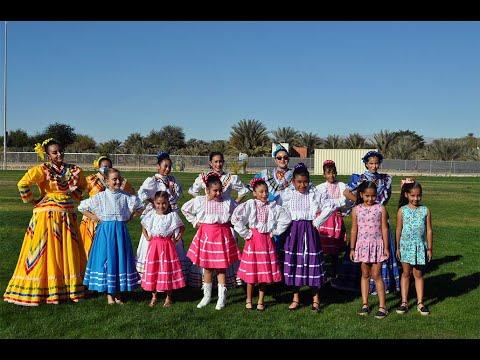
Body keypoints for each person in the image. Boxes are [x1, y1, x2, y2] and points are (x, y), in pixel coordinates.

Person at [4, 138, 87, 306]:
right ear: (48, 155)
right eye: (54, 152)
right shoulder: (42, 169)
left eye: (60, 151)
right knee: (44, 250)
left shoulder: (74, 169)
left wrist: (73, 196)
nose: (59, 154)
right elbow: (22, 184)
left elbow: (83, 184)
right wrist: (34, 200)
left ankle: (67, 286)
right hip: (47, 216)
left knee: (67, 249)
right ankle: (45, 286)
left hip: (67, 215)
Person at [332, 150, 400, 294]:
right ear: (366, 164)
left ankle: (381, 283)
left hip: (379, 217)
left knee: (381, 248)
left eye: (376, 163)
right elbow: (346, 192)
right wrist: (359, 203)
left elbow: (385, 199)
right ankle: (361, 282)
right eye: (371, 163)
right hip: (364, 221)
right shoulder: (360, 178)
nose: (374, 166)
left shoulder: (385, 179)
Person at [280, 163, 345, 312]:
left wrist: (317, 221)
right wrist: (283, 225)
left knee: (311, 261)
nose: (302, 185)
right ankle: (296, 298)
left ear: (309, 181)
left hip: (310, 231)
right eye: (299, 182)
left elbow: (329, 206)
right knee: (296, 262)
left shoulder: (314, 193)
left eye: (305, 182)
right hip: (294, 231)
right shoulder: (288, 195)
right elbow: (280, 210)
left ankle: (316, 299)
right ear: (293, 182)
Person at [79, 168, 143, 305]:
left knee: (119, 261)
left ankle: (118, 294)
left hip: (120, 233)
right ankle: (109, 294)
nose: (118, 181)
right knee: (107, 261)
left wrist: (129, 217)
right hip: (105, 233)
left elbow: (140, 206)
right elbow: (82, 207)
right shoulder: (100, 197)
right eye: (114, 179)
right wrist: (95, 218)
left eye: (119, 178)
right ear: (107, 181)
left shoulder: (125, 196)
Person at [188, 151, 248, 288]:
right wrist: (203, 207)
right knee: (207, 254)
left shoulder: (230, 178)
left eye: (220, 161)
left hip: (223, 218)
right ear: (210, 163)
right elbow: (193, 191)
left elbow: (243, 191)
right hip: (209, 221)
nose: (218, 164)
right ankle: (207, 284)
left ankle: (227, 282)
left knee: (225, 251)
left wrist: (235, 204)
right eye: (215, 161)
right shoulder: (203, 177)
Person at [231, 178, 291, 311]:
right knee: (252, 273)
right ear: (255, 193)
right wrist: (246, 233)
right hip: (253, 241)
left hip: (266, 242)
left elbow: (286, 219)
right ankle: (248, 299)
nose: (264, 194)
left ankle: (260, 300)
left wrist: (274, 231)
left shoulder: (272, 206)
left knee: (263, 273)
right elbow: (236, 218)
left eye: (266, 191)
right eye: (261, 192)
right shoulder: (251, 204)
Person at [182, 173, 240, 310]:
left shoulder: (227, 201)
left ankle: (221, 297)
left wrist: (233, 222)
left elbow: (239, 211)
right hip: (207, 236)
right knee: (207, 268)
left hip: (221, 236)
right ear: (207, 190)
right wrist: (195, 221)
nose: (218, 193)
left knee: (221, 268)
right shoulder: (200, 201)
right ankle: (206, 296)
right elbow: (184, 208)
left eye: (220, 190)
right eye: (215, 190)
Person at [135, 151, 189, 282]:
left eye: (169, 166)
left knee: (172, 242)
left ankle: (171, 275)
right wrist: (154, 203)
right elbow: (141, 194)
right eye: (165, 166)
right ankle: (153, 274)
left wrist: (171, 192)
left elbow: (177, 196)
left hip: (170, 216)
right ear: (158, 166)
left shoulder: (173, 180)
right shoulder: (153, 180)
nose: (167, 169)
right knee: (154, 243)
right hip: (157, 216)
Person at [79, 155, 135, 259]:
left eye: (109, 167)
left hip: (112, 218)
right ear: (98, 167)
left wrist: (127, 215)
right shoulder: (91, 179)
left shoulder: (119, 180)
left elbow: (132, 194)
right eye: (104, 166)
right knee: (91, 245)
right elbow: (78, 193)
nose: (106, 169)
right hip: (93, 217)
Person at [350, 181, 390, 319]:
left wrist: (386, 247)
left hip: (377, 246)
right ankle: (365, 304)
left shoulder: (381, 209)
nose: (370, 199)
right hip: (362, 246)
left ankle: (382, 306)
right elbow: (354, 229)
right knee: (365, 275)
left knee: (377, 275)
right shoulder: (356, 210)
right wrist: (352, 248)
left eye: (373, 196)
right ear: (361, 194)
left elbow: (384, 228)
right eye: (367, 196)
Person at [141, 191, 186, 308]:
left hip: (167, 246)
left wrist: (176, 239)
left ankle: (168, 297)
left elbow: (182, 228)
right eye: (158, 203)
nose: (161, 206)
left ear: (168, 203)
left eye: (164, 203)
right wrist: (147, 237)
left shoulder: (172, 216)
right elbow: (143, 225)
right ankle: (154, 296)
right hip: (154, 246)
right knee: (154, 269)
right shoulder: (151, 215)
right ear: (154, 203)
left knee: (167, 270)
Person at [395, 179, 433, 316]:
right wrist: (398, 247)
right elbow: (398, 229)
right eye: (413, 195)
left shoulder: (425, 210)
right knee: (406, 274)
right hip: (405, 246)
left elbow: (429, 230)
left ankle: (420, 303)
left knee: (418, 274)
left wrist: (429, 248)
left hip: (420, 247)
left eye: (418, 195)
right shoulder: (402, 211)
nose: (416, 198)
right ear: (406, 195)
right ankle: (404, 302)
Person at [315, 160, 351, 279]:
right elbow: (319, 204)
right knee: (323, 247)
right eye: (328, 173)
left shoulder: (341, 185)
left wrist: (343, 211)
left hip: (336, 220)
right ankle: (322, 271)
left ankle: (335, 273)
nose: (331, 175)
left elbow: (347, 202)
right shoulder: (320, 188)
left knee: (335, 249)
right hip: (324, 220)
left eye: (333, 172)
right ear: (324, 174)